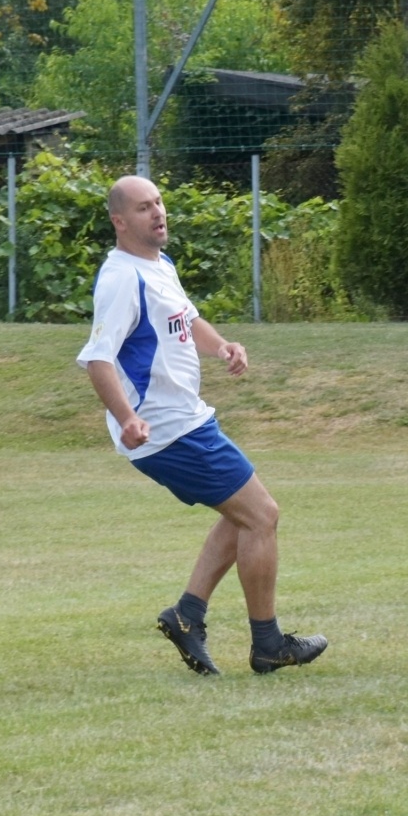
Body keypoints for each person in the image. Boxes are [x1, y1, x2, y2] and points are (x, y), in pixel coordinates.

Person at [79, 174, 327, 677]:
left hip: (186, 419)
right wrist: (127, 419)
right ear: (119, 221)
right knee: (262, 515)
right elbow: (97, 358)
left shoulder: (158, 265)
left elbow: (187, 320)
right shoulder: (122, 277)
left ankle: (187, 616)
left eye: (160, 202)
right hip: (166, 429)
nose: (158, 212)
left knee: (242, 514)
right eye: (145, 207)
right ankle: (268, 643)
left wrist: (222, 347)